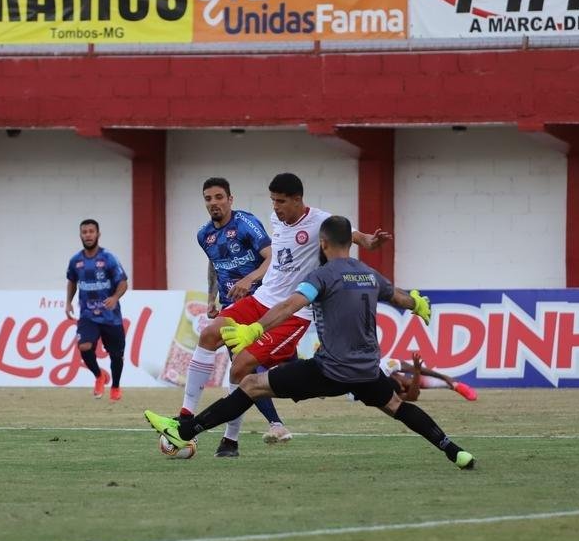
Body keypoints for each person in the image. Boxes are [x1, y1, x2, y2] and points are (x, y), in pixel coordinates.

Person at [145, 214, 475, 470]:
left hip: (330, 371)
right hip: (367, 371)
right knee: (396, 407)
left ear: (324, 243)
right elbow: (400, 297)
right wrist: (417, 304)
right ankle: (453, 450)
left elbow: (290, 305)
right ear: (350, 242)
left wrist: (253, 331)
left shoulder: (321, 276)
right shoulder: (370, 274)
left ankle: (185, 431)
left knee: (251, 384)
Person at [176, 172, 391, 457]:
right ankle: (186, 415)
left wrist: (367, 241)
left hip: (292, 313)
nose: (275, 208)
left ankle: (231, 440)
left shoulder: (319, 221)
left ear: (298, 200)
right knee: (209, 333)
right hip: (262, 297)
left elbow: (349, 233)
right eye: (273, 201)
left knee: (241, 367)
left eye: (281, 202)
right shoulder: (273, 220)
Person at [194, 176, 293, 453]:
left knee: (253, 369)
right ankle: (238, 437)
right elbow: (214, 266)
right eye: (208, 198)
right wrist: (211, 298)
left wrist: (250, 279)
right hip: (231, 310)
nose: (213, 203)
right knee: (243, 368)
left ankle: (236, 438)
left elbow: (271, 257)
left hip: (261, 304)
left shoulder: (246, 224)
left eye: (218, 197)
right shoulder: (204, 235)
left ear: (230, 199)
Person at [65, 219, 128, 401]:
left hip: (110, 316)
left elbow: (123, 282)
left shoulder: (108, 258)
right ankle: (99, 376)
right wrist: (68, 302)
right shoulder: (76, 261)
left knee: (116, 355)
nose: (88, 235)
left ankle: (115, 386)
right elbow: (72, 281)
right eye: (84, 232)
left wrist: (115, 297)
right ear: (80, 235)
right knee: (84, 346)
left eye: (91, 231)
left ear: (98, 234)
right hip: (87, 315)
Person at [386, 353, 478, 402]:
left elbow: (414, 369)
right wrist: (417, 373)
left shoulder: (387, 365)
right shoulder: (384, 391)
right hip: (379, 384)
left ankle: (453, 385)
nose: (402, 388)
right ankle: (453, 385)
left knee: (408, 382)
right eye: (401, 390)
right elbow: (412, 398)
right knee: (410, 384)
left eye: (402, 387)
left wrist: (444, 377)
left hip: (383, 373)